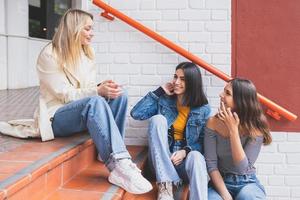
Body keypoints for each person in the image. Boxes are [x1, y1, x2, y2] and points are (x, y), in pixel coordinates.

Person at [0, 9, 152, 194]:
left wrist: (103, 88)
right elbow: (64, 94)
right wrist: (97, 91)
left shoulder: (87, 53)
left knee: (120, 95)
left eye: (92, 28)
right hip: (56, 116)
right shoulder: (50, 54)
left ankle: (112, 153)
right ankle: (118, 166)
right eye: (87, 29)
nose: (92, 33)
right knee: (95, 102)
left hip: (79, 111)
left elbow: (87, 88)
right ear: (74, 28)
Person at [130, 62, 211, 200]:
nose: (176, 82)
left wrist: (185, 151)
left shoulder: (203, 108)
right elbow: (136, 113)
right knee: (158, 120)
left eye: (183, 79)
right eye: (175, 77)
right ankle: (165, 186)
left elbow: (203, 142)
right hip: (160, 158)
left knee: (196, 157)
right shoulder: (164, 100)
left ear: (192, 82)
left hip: (182, 162)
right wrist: (159, 92)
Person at [204, 78, 272, 200]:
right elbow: (211, 165)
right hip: (220, 183)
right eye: (223, 91)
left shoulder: (255, 128)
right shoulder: (212, 123)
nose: (221, 95)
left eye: (227, 93)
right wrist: (226, 195)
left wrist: (233, 130)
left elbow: (242, 169)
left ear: (241, 101)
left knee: (249, 197)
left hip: (247, 182)